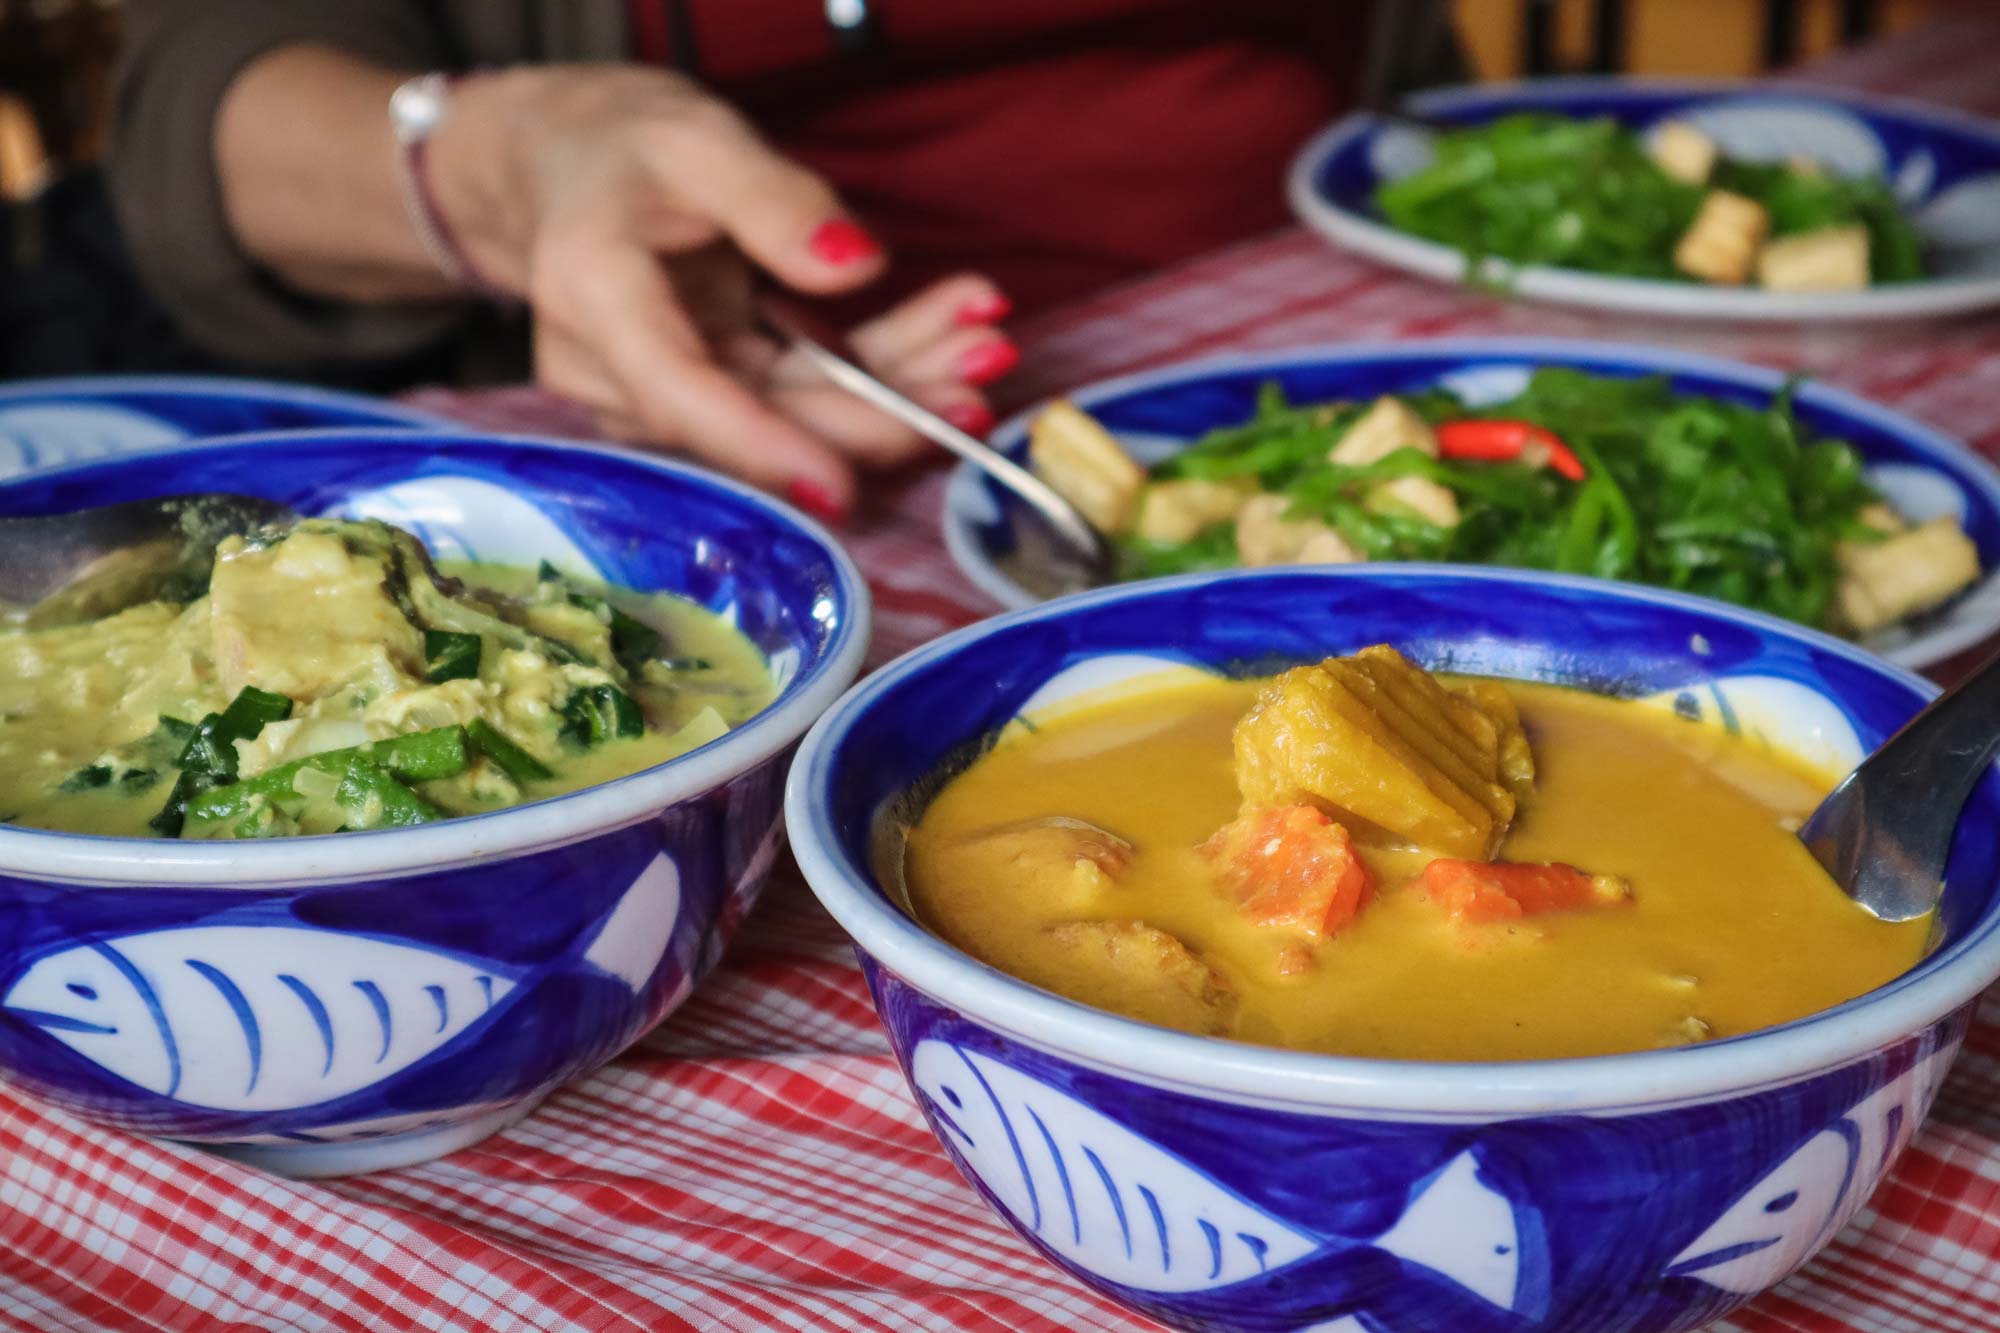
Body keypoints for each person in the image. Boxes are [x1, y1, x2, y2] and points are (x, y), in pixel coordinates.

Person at [109, 2, 1457, 521]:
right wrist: (512, 175)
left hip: (1357, 335)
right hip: (741, 444)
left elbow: (1409, 79)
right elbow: (194, 113)